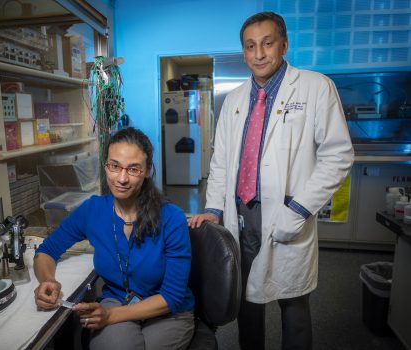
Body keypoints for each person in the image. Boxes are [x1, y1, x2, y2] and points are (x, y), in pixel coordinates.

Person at [188, 11, 354, 350]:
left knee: (293, 305)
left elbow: (338, 155)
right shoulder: (233, 100)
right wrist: (214, 209)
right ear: (244, 52)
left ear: (284, 45)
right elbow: (220, 160)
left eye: (267, 43)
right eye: (250, 46)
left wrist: (299, 208)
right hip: (241, 213)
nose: (259, 53)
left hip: (286, 211)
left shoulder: (315, 88)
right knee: (247, 298)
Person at [34, 127, 195, 350]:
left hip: (166, 312)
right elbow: (46, 250)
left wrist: (110, 316)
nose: (122, 178)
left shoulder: (172, 217)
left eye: (133, 169)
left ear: (147, 170)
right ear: (106, 166)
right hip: (117, 300)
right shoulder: (93, 211)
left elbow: (172, 297)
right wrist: (47, 280)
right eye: (114, 166)